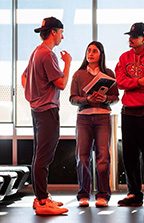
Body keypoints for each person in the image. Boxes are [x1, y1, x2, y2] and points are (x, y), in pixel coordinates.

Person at [21, 16, 72, 215]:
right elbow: (61, 83)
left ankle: (40, 197)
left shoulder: (36, 52)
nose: (62, 36)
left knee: (39, 155)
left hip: (37, 110)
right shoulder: (48, 55)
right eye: (61, 32)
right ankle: (42, 201)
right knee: (44, 157)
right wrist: (67, 63)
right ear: (54, 32)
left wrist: (33, 96)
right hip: (47, 111)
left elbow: (25, 77)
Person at [115, 22, 144, 208]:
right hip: (128, 111)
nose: (131, 39)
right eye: (130, 36)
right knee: (129, 155)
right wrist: (137, 81)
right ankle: (134, 193)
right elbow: (119, 81)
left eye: (134, 36)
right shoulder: (124, 57)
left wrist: (130, 82)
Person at [69, 41, 119, 208]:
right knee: (82, 157)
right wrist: (87, 100)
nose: (90, 54)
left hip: (103, 119)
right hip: (83, 119)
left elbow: (116, 97)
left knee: (103, 157)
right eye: (88, 50)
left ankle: (103, 195)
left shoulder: (109, 73)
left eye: (94, 51)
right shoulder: (78, 74)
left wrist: (105, 99)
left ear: (101, 54)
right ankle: (83, 194)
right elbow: (72, 99)